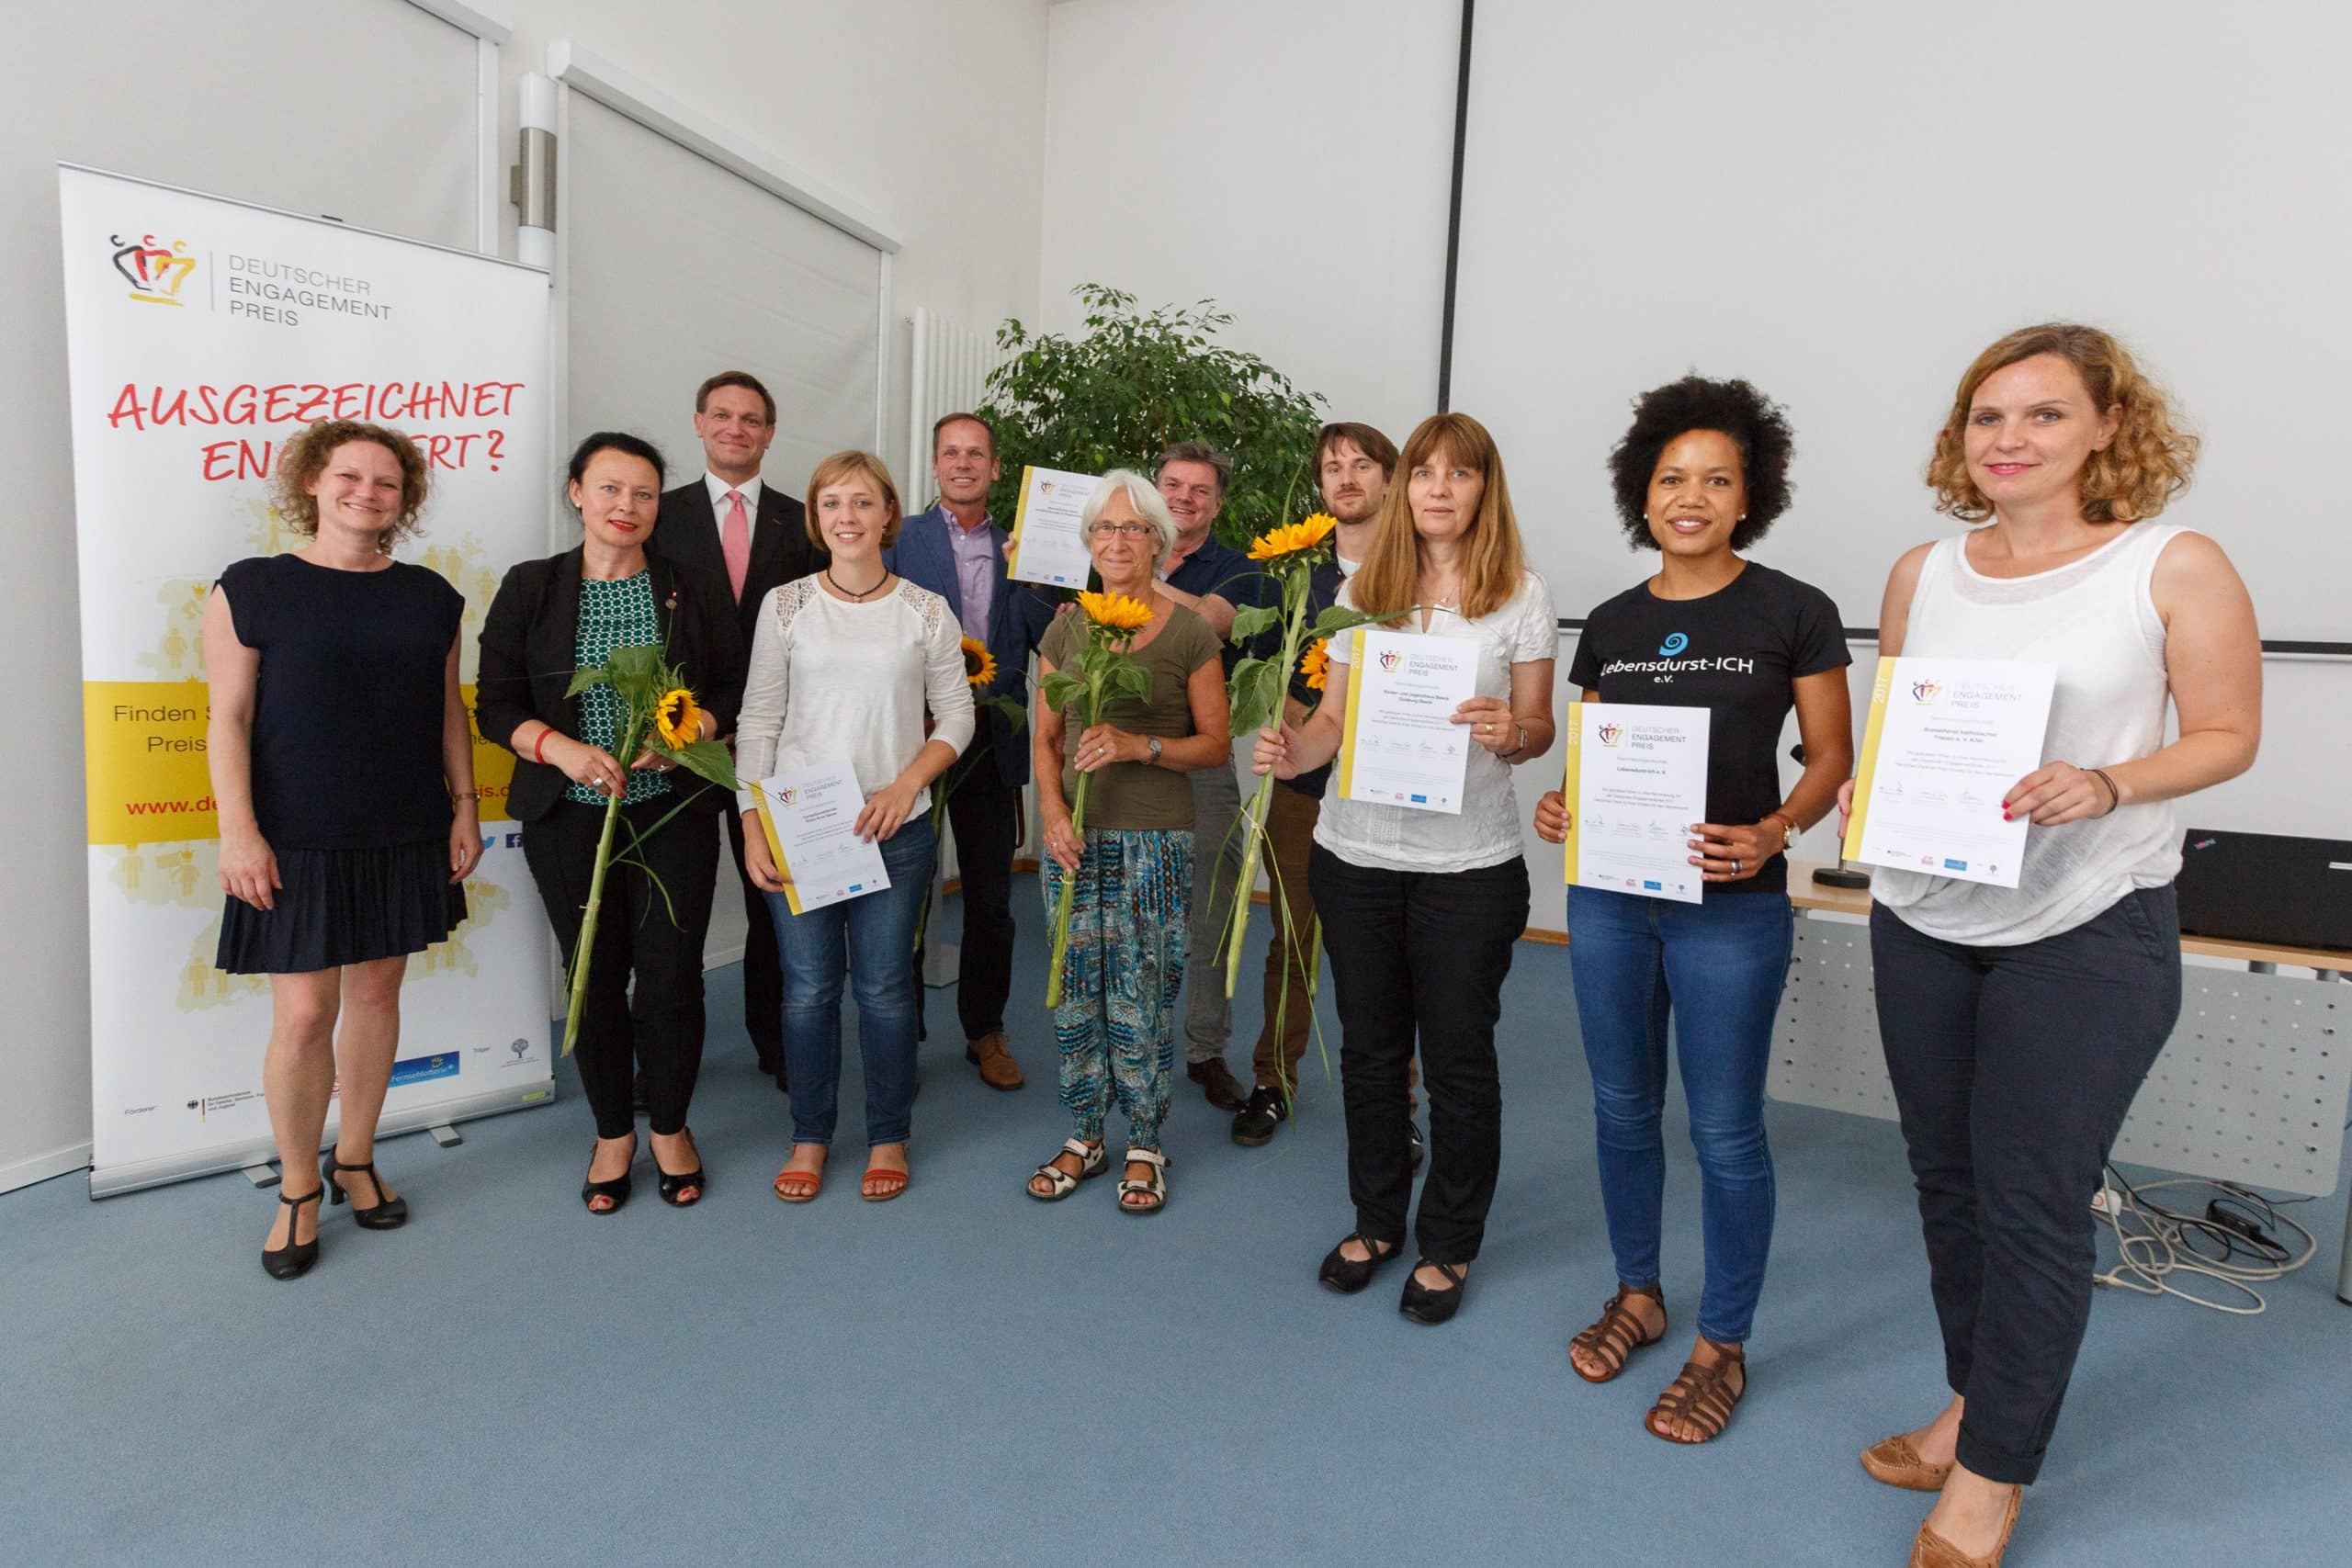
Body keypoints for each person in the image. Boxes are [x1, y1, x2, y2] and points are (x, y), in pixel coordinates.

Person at [1850, 324, 2258, 1568]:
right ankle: (1972, 1400)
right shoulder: (1924, 572)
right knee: (1946, 1179)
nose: (2009, 439)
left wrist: (2107, 780)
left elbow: (2228, 732)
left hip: (2085, 924)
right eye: (1987, 416)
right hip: (1926, 914)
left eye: (2042, 414)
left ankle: (1991, 1476)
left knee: (2029, 1200)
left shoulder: (2169, 565)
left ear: (2106, 427)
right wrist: (1876, 795)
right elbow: (1906, 726)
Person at [1531, 377, 1853, 1443]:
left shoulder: (1794, 611)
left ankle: (1723, 1342)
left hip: (1732, 909)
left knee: (1723, 1129)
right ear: (1642, 492)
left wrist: (1776, 830)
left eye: (1716, 480)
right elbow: (1599, 758)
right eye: (1672, 478)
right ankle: (1638, 1295)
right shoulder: (1613, 624)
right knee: (1621, 1109)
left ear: (1748, 496)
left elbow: (1830, 757)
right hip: (1611, 902)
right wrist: (1564, 804)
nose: (1691, 497)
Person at [1254, 412, 1556, 1324]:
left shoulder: (1520, 594)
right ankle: (1377, 1221)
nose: (1438, 489)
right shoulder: (1364, 587)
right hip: (1355, 855)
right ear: (1405, 489)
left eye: (1458, 474)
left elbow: (1537, 727)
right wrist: (1292, 750)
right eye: (1424, 472)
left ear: (1483, 488)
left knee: (1458, 1060)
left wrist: (1512, 731)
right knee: (1371, 1052)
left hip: (1469, 865)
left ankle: (1450, 1240)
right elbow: (1331, 724)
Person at [203, 420, 481, 1279]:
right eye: (350, 476)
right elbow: (228, 717)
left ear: (406, 498)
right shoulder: (252, 587)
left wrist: (464, 808)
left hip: (402, 824)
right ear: (312, 483)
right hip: (294, 834)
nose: (369, 492)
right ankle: (297, 1185)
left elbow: (448, 712)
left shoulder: (431, 597)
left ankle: (354, 1156)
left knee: (376, 995)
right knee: (302, 1017)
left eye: (388, 482)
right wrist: (238, 830)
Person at [481, 433, 744, 1214]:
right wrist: (560, 749)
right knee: (592, 974)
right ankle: (611, 1133)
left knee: (671, 975)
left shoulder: (691, 587)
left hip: (671, 812)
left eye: (644, 493)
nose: (626, 506)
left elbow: (734, 687)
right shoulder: (531, 586)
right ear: (577, 492)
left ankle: (669, 1125)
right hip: (567, 819)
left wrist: (687, 733)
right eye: (609, 488)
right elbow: (495, 703)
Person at [737, 452, 973, 1203]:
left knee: (885, 988)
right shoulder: (786, 606)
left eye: (863, 502)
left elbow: (957, 716)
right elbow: (759, 720)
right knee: (808, 990)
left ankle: (887, 1134)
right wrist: (752, 823)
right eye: (832, 503)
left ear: (887, 513)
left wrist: (907, 784)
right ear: (817, 517)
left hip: (893, 829)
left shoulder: (926, 610)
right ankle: (810, 1135)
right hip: (801, 828)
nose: (848, 516)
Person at [1027, 472, 1232, 1213]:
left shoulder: (1189, 632)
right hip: (1074, 841)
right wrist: (1053, 812)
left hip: (1157, 842)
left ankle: (1144, 1140)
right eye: (1104, 528)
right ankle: (1085, 1132)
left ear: (1158, 542)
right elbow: (1046, 739)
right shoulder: (1066, 629)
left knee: (1143, 993)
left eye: (1133, 528)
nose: (1117, 541)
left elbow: (1216, 744)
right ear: (1089, 542)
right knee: (1074, 991)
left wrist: (1140, 745)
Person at [1230, 421, 1424, 1165]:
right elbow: (1266, 672)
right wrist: (1299, 727)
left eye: (1362, 465)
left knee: (1390, 954)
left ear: (1390, 480)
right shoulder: (1294, 580)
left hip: (1393, 793)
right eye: (1333, 467)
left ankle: (1399, 1102)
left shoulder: (1420, 574)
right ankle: (1273, 1079)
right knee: (1293, 937)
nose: (1346, 478)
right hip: (1305, 785)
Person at [651, 371, 823, 1084]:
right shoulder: (657, 513)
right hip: (684, 747)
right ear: (698, 422)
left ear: (769, 434)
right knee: (677, 912)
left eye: (751, 419)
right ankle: (668, 1061)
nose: (735, 428)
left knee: (775, 901)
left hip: (778, 743)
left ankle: (777, 1044)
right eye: (721, 415)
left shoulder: (801, 520)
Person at [883, 412, 1057, 1089]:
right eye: (951, 453)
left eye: (975, 454)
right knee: (904, 897)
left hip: (993, 738)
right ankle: (902, 1035)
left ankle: (986, 1030)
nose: (963, 464)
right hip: (913, 739)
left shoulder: (1027, 546)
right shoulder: (900, 538)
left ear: (995, 467)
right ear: (934, 465)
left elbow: (1050, 634)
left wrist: (1040, 580)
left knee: (990, 900)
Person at [1152, 441, 1269, 1112]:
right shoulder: (1107, 551)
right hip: (1119, 755)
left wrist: (1127, 576)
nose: (1184, 499)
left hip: (1202, 753)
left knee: (1213, 908)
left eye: (1200, 490)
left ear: (1217, 504)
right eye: (1172, 485)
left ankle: (1204, 1049)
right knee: (1125, 910)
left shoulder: (1240, 570)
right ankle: (1131, 1041)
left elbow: (1205, 623)